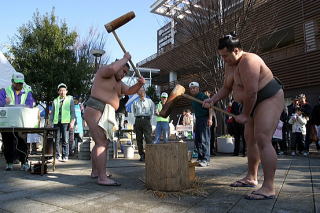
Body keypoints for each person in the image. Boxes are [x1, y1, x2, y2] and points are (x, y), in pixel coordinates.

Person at [203, 33, 284, 200]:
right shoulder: (229, 64)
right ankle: (251, 177)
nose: (223, 59)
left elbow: (252, 92)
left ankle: (269, 187)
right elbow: (226, 88)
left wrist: (245, 114)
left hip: (268, 97)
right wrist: (212, 99)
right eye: (221, 56)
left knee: (262, 138)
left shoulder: (249, 61)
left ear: (237, 50)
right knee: (250, 138)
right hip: (251, 101)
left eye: (225, 55)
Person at [84, 52, 145, 185]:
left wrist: (139, 84)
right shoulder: (105, 71)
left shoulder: (119, 83)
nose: (123, 74)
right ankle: (102, 177)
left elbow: (129, 90)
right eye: (122, 70)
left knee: (99, 142)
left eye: (125, 73)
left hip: (104, 111)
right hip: (96, 108)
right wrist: (125, 58)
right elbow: (112, 69)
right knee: (102, 143)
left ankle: (96, 172)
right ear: (118, 65)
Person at [0, 72, 34, 171]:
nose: (19, 85)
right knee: (8, 142)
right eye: (17, 83)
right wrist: (4, 102)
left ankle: (24, 162)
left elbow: (30, 104)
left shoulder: (27, 91)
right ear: (12, 82)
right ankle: (9, 162)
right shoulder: (4, 91)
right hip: (7, 122)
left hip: (21, 122)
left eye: (21, 83)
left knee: (22, 142)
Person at [50, 83, 75, 162]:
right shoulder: (55, 101)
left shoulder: (70, 99)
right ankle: (58, 155)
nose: (62, 92)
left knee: (65, 139)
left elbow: (72, 112)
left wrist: (72, 122)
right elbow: (52, 113)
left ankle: (65, 155)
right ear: (58, 92)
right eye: (60, 90)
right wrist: (50, 122)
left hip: (66, 122)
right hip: (56, 122)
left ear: (66, 91)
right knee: (56, 139)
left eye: (64, 90)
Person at [189, 82, 212, 167]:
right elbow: (195, 112)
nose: (193, 90)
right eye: (191, 88)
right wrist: (195, 122)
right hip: (198, 119)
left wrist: (210, 119)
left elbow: (210, 107)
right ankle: (200, 157)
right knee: (197, 140)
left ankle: (206, 159)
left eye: (194, 88)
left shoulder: (203, 96)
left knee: (204, 139)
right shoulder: (193, 98)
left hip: (204, 119)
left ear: (198, 88)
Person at [132, 87, 155, 161]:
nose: (141, 92)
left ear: (145, 91)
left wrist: (149, 121)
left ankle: (150, 155)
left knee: (148, 138)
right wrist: (134, 123)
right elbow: (134, 113)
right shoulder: (135, 102)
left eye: (142, 90)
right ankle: (141, 155)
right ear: (137, 93)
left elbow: (152, 112)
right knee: (138, 139)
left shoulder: (149, 101)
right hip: (138, 120)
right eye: (139, 90)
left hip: (146, 120)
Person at [204, 90, 218, 156]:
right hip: (206, 119)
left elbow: (212, 108)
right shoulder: (203, 101)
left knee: (212, 135)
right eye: (205, 93)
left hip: (213, 119)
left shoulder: (212, 100)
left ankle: (212, 150)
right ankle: (207, 150)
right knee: (207, 135)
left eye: (207, 92)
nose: (206, 94)